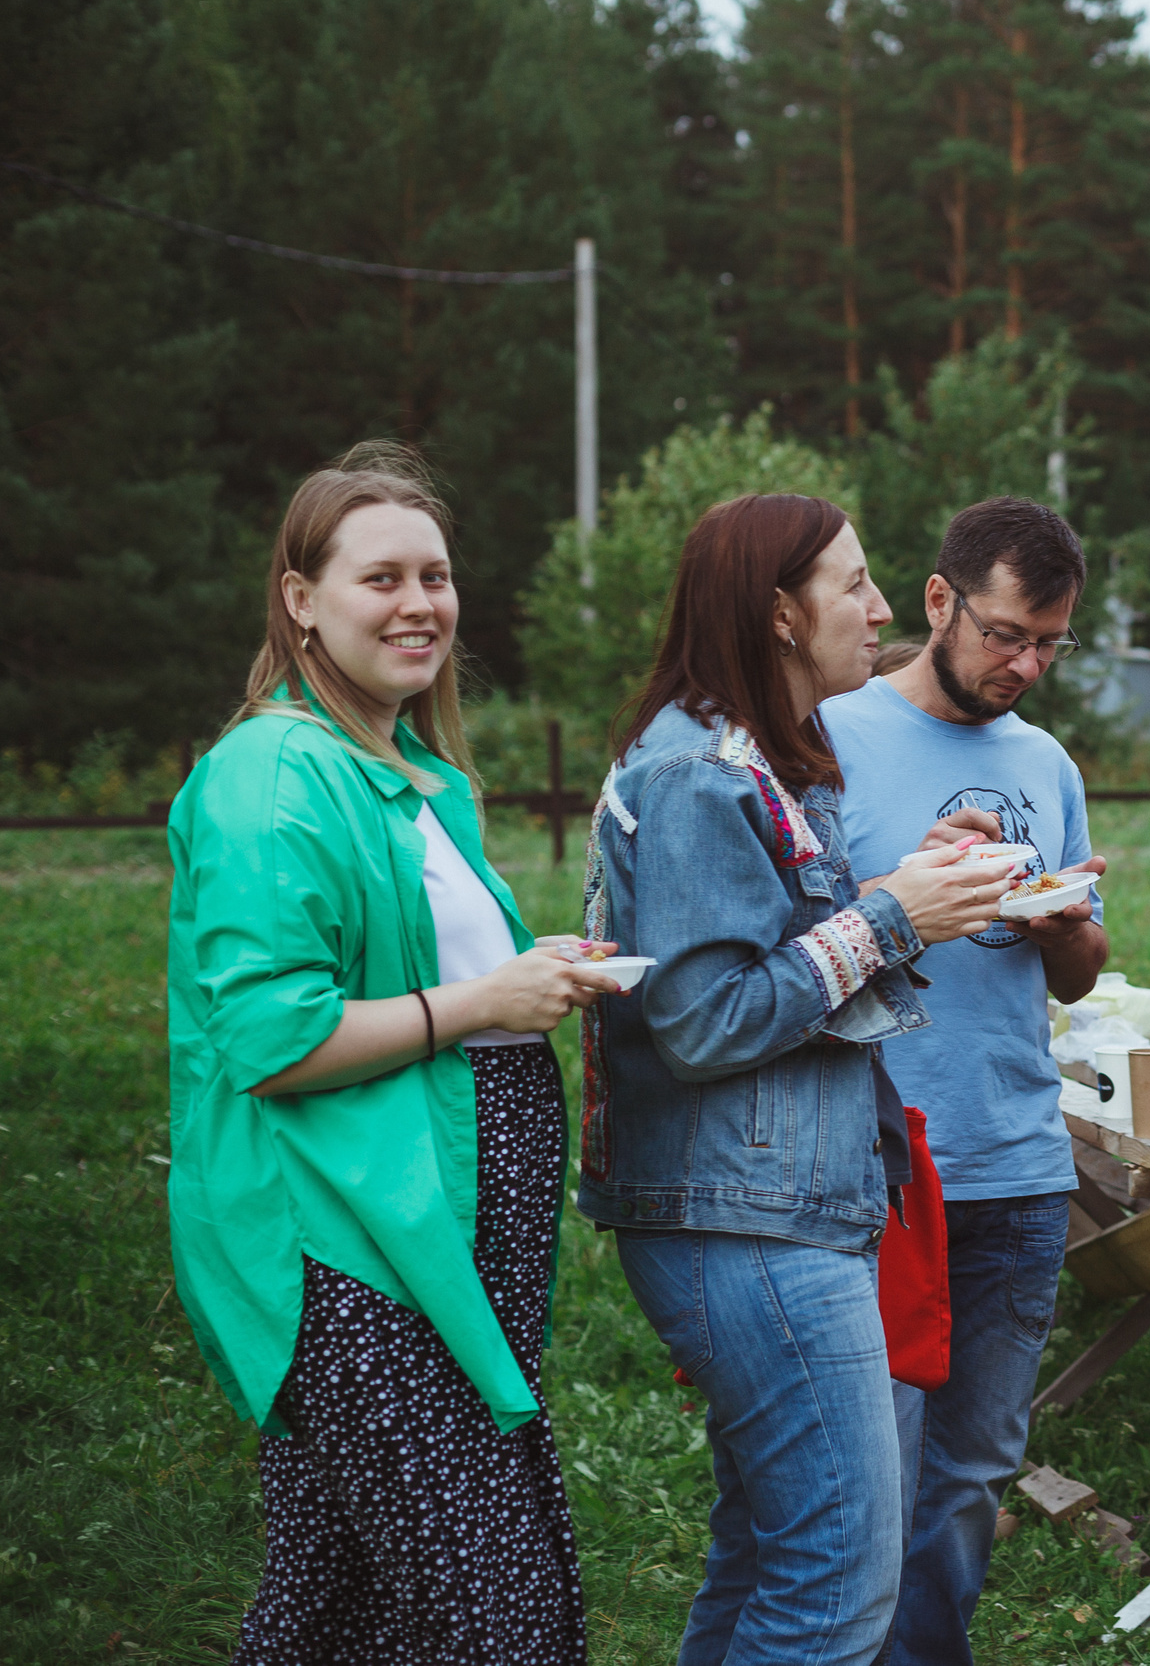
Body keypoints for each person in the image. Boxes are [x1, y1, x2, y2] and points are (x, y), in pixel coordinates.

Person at [166, 444, 616, 1661]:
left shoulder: (404, 774)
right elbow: (275, 1041)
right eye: (382, 579)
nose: (419, 604)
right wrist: (482, 1002)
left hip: (431, 1237)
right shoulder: (271, 776)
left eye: (435, 576)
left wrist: (520, 970)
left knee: (335, 1598)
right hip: (353, 1252)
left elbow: (418, 973)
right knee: (495, 1614)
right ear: (301, 599)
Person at [579, 492, 1016, 1666]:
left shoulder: (756, 757)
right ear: (779, 612)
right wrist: (890, 917)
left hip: (770, 1208)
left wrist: (907, 888)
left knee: (766, 1556)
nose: (879, 609)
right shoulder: (698, 772)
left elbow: (766, 945)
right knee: (835, 1584)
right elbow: (702, 1019)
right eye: (853, 585)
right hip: (745, 1222)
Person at [816, 496, 1108, 1666]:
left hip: (1016, 1162)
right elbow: (781, 952)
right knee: (875, 1472)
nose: (1024, 666)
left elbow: (1080, 971)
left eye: (1049, 645)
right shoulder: (825, 735)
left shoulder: (1044, 762)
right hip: (873, 1166)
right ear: (938, 601)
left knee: (973, 1471)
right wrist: (903, 893)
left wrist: (1059, 920)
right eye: (1004, 635)